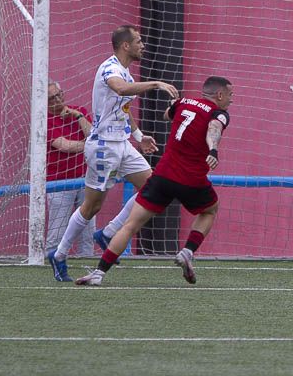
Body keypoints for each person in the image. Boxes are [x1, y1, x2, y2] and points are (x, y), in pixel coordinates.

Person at [46, 25, 177, 281]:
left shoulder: (127, 73)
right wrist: (156, 83)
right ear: (125, 45)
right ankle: (59, 254)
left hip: (123, 144)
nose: (143, 45)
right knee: (92, 206)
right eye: (138, 41)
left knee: (155, 189)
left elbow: (124, 109)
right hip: (103, 146)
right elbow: (120, 89)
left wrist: (139, 137)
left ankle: (108, 233)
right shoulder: (111, 69)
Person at [76, 76, 234, 286]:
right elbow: (214, 126)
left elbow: (166, 116)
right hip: (191, 179)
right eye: (230, 95)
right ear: (220, 95)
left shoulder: (182, 103)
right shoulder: (219, 113)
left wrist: (175, 107)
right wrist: (213, 148)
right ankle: (187, 251)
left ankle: (98, 273)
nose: (231, 100)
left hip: (162, 176)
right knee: (210, 210)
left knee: (130, 225)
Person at [44, 82, 96, 255]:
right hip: (58, 183)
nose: (58, 100)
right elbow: (64, 146)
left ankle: (87, 266)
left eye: (60, 94)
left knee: (87, 231)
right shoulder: (44, 120)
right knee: (56, 232)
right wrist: (90, 145)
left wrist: (79, 116)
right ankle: (51, 264)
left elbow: (92, 135)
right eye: (52, 98)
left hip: (85, 180)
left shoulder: (78, 110)